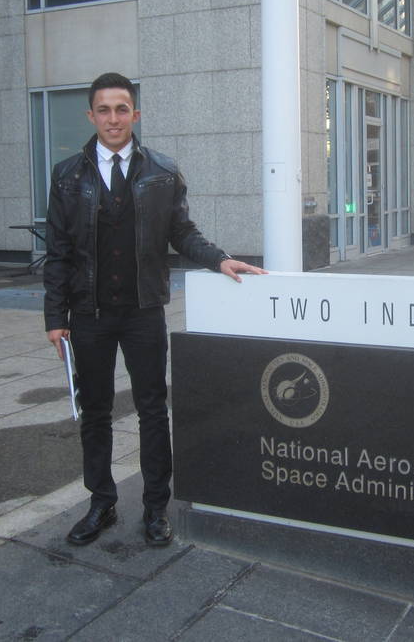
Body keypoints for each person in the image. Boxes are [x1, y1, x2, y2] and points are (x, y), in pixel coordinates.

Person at [43, 72, 265, 547]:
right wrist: (54, 318)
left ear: (135, 115)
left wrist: (220, 258)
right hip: (89, 315)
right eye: (104, 110)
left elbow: (182, 232)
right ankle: (101, 503)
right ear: (91, 116)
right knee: (96, 411)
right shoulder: (67, 176)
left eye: (122, 109)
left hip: (144, 311)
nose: (113, 119)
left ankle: (154, 508)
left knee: (151, 410)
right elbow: (58, 252)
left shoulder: (161, 172)